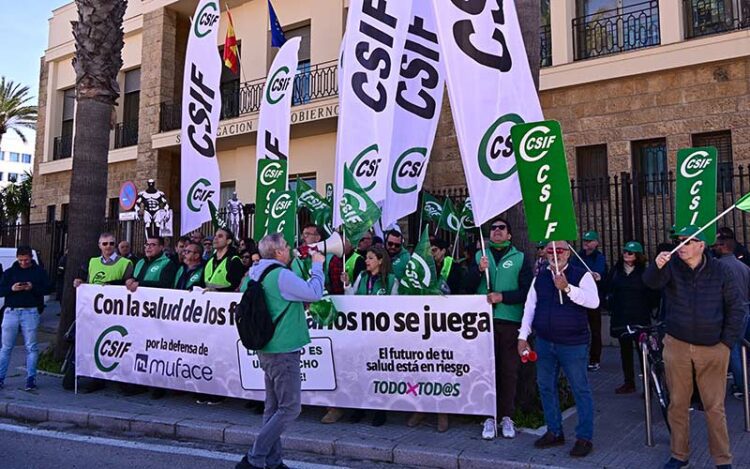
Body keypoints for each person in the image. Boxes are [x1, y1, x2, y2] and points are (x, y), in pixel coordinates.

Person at [644, 226, 745, 469]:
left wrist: (725, 344)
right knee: (677, 404)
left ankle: (722, 460)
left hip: (713, 348)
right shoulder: (671, 267)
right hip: (677, 345)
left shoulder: (721, 270)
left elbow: (736, 307)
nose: (682, 246)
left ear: (702, 245)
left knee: (714, 407)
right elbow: (649, 283)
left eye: (688, 241)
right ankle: (679, 456)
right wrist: (655, 266)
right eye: (679, 241)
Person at [236, 233, 325, 469]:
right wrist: (317, 267)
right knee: (290, 408)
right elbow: (314, 293)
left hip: (267, 348)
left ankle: (273, 462)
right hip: (284, 349)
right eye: (285, 246)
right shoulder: (281, 275)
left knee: (273, 407)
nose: (288, 248)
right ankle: (254, 458)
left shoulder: (255, 272)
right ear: (278, 252)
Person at [518, 241, 599, 458]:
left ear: (569, 253)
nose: (555, 254)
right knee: (545, 386)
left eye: (560, 250)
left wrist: (568, 288)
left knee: (580, 389)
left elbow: (593, 302)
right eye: (550, 250)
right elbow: (530, 307)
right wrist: (522, 336)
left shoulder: (582, 275)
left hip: (573, 344)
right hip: (545, 342)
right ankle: (554, 431)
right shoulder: (540, 277)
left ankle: (584, 437)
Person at [465, 217, 532, 440]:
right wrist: (477, 269)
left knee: (508, 371)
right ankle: (488, 416)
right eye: (493, 228)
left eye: (501, 228)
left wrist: (503, 297)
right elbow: (464, 286)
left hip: (509, 322)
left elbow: (526, 292)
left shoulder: (520, 258)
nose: (496, 231)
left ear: (509, 234)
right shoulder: (479, 256)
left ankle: (506, 417)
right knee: (486, 371)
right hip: (483, 323)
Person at [320, 245, 396, 427]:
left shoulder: (392, 280)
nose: (367, 261)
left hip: (380, 334)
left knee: (379, 372)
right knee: (359, 370)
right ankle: (359, 407)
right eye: (367, 258)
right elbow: (352, 297)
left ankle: (380, 410)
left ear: (380, 260)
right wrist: (347, 284)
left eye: (370, 258)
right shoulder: (362, 276)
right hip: (360, 332)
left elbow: (395, 305)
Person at [605, 241, 657, 394]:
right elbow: (608, 289)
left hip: (639, 317)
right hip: (621, 317)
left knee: (643, 353)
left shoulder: (645, 273)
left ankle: (648, 386)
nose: (626, 254)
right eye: (625, 251)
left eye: (631, 252)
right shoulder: (616, 271)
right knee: (625, 351)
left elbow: (653, 295)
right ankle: (629, 383)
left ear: (638, 256)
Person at [0, 246, 49, 391]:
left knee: (31, 346)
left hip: (30, 311)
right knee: (6, 348)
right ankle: (1, 378)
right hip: (11, 311)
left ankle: (30, 378)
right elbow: (1, 289)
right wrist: (12, 289)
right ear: (17, 258)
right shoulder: (9, 273)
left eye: (26, 260)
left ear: (31, 258)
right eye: (20, 260)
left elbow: (48, 289)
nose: (23, 263)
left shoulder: (39, 272)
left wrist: (32, 287)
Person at [712, 235, 750, 400]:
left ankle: (743, 386)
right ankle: (741, 384)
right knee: (740, 349)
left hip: (729, 312)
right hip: (745, 309)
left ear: (723, 246)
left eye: (716, 245)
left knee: (733, 350)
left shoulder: (718, 266)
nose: (713, 248)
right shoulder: (744, 267)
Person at [570, 230, 607, 372]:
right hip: (579, 298)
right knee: (579, 329)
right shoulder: (577, 257)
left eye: (589, 241)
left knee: (595, 330)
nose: (586, 243)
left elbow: (600, 273)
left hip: (593, 299)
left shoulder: (599, 258)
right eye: (585, 240)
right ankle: (579, 358)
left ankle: (595, 359)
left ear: (596, 243)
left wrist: (596, 276)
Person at [291, 224, 344, 294]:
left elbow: (337, 290)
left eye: (307, 234)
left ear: (318, 238)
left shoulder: (332, 259)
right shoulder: (297, 259)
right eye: (302, 234)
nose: (302, 237)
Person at [203, 227, 244, 292]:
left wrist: (216, 290)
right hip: (209, 300)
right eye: (215, 236)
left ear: (228, 241)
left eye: (220, 236)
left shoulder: (234, 260)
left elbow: (236, 286)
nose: (215, 238)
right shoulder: (210, 260)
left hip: (226, 300)